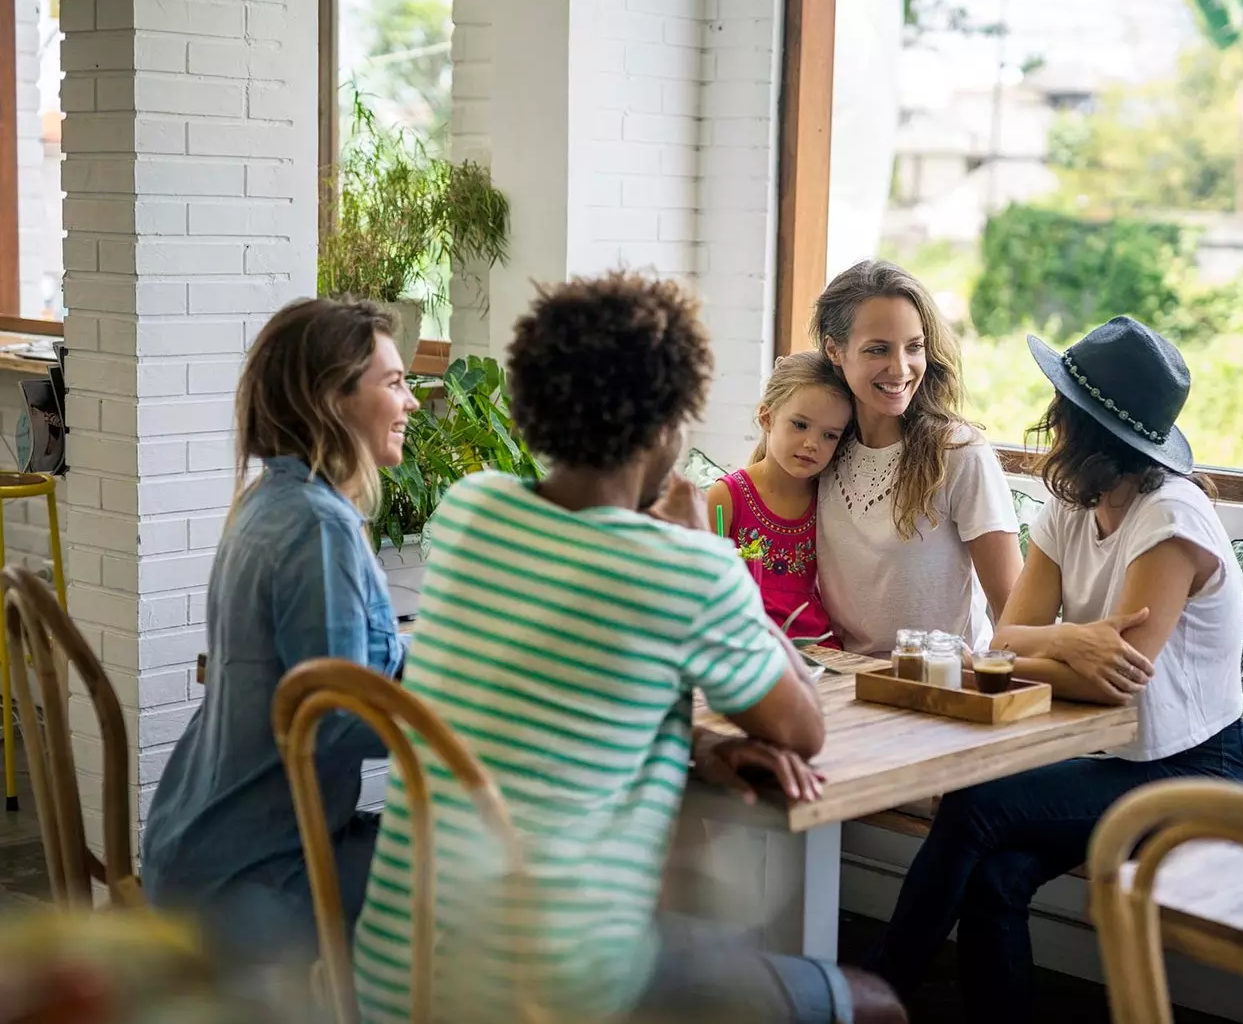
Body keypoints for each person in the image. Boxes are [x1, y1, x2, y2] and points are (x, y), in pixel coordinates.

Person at [352, 271, 904, 1024]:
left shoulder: (469, 510)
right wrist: (706, 550)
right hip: (557, 992)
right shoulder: (683, 567)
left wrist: (682, 745)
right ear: (667, 426)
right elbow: (803, 728)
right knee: (876, 1005)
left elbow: (553, 695)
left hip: (400, 975)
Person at [868, 316, 1243, 1021]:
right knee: (999, 876)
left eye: (1062, 409)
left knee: (976, 803)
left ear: (1088, 428)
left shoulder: (1171, 522)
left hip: (1188, 770)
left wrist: (1048, 646)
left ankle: (880, 991)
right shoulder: (1072, 509)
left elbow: (1114, 682)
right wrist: (1070, 641)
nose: (1051, 421)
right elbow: (1007, 631)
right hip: (1107, 756)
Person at [142, 298, 419, 962]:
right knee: (481, 888)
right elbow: (328, 723)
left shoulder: (273, 499)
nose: (410, 401)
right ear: (334, 399)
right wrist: (467, 714)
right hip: (251, 880)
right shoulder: (318, 526)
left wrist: (443, 666)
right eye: (394, 382)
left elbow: (347, 674)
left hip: (200, 846)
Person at [812, 260, 1021, 656]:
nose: (901, 368)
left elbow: (1013, 606)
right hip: (842, 683)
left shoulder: (959, 453)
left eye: (914, 347)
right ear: (834, 350)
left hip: (940, 687)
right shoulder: (819, 448)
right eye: (878, 349)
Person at [704, 351, 853, 646]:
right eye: (800, 425)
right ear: (767, 417)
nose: (812, 444)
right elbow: (702, 591)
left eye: (830, 435)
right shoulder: (726, 497)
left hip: (820, 650)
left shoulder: (831, 499)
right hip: (746, 647)